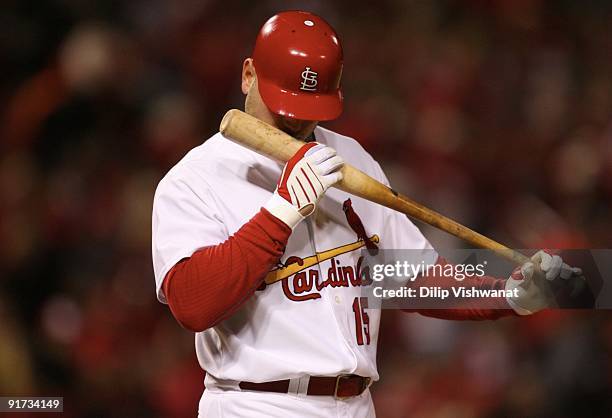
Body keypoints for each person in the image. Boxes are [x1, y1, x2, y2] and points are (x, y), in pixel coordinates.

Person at [151, 11, 581, 418]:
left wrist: (504, 295)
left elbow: (412, 278)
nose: (296, 119)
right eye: (285, 104)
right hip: (258, 404)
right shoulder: (194, 179)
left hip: (355, 403)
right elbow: (193, 304)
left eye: (308, 108)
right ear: (248, 75)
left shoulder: (350, 157)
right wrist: (280, 213)